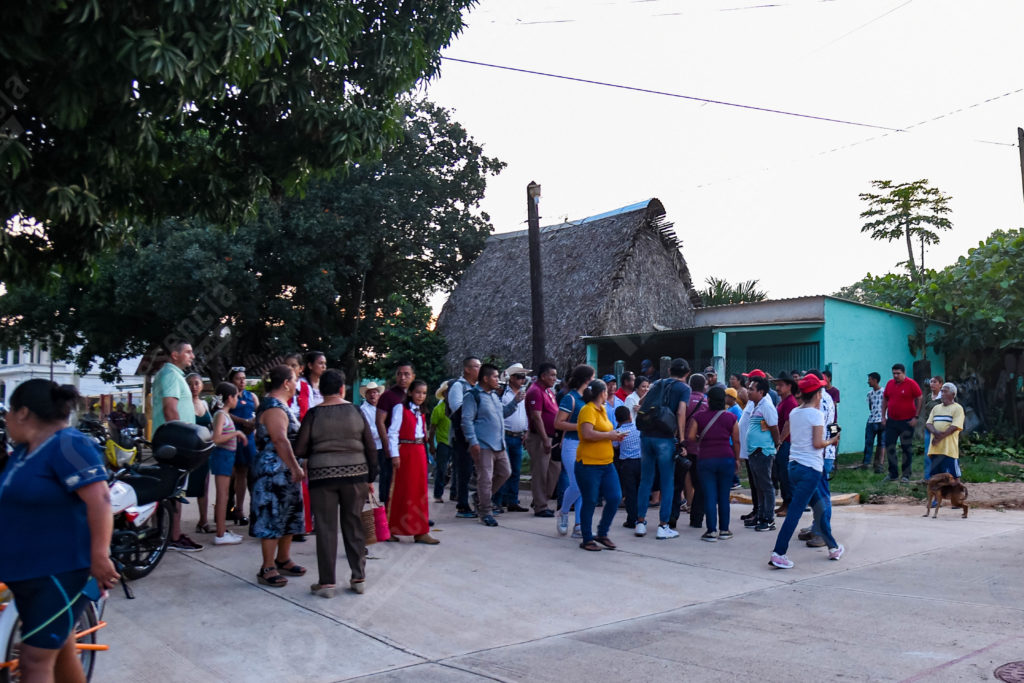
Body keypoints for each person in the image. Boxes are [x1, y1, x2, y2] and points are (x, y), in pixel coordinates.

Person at [0, 380, 116, 682]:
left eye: (8, 411)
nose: (6, 419)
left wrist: (100, 556)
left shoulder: (68, 444)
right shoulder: (23, 452)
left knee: (33, 660)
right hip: (28, 571)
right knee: (59, 646)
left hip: (61, 572)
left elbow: (100, 499)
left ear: (23, 412)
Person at [295, 369, 381, 596]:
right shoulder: (356, 411)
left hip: (322, 476)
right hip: (356, 475)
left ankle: (327, 584)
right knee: (354, 524)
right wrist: (370, 476)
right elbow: (370, 446)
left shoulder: (313, 414)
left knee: (326, 527)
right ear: (342, 388)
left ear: (321, 390)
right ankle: (358, 577)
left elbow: (300, 448)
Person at [770, 374, 843, 569]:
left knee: (819, 508)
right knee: (796, 512)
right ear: (817, 393)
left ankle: (833, 547)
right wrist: (832, 441)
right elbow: (818, 443)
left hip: (794, 467)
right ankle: (778, 553)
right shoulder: (816, 414)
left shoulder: (795, 412)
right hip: (810, 469)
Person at [250, 365, 306, 588]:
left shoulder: (280, 405)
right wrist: (295, 467)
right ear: (285, 383)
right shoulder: (273, 407)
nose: (296, 384)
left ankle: (283, 559)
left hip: (284, 471)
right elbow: (280, 439)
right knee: (272, 516)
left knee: (288, 514)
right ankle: (267, 566)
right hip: (273, 472)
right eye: (294, 380)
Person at [152, 340, 202, 552]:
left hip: (171, 443)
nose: (192, 356)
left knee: (174, 491)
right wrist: (182, 439)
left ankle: (169, 534)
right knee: (175, 491)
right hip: (174, 445)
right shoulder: (171, 375)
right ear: (175, 355)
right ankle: (172, 536)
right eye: (188, 352)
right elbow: (170, 409)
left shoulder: (171, 374)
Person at [635, 358, 691, 540]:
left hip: (646, 435)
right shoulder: (684, 389)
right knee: (667, 481)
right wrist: (681, 439)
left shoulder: (658, 383)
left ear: (669, 371)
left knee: (646, 480)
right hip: (665, 438)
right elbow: (681, 412)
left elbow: (642, 401)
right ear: (687, 373)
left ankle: (640, 522)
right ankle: (663, 525)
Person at [462, 364, 519, 527]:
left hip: (499, 444)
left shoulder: (493, 396)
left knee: (505, 472)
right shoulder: (473, 396)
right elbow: (466, 420)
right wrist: (473, 442)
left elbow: (503, 413)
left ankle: (480, 498)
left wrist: (515, 402)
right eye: (494, 377)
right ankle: (485, 512)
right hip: (483, 444)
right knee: (485, 479)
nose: (497, 380)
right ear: (485, 378)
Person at [574, 379, 626, 551]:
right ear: (602, 393)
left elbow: (605, 431)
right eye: (606, 391)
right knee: (590, 500)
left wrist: (615, 435)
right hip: (589, 464)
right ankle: (587, 539)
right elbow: (587, 434)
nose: (608, 393)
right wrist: (609, 436)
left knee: (615, 497)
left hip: (606, 463)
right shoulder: (587, 410)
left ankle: (602, 533)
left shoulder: (602, 409)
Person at [386, 378, 439, 543]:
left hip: (419, 451)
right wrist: (394, 454)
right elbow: (393, 432)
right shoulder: (400, 409)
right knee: (402, 490)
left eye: (424, 393)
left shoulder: (421, 412)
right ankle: (391, 528)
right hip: (406, 451)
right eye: (417, 392)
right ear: (410, 393)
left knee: (419, 491)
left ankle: (420, 530)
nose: (421, 396)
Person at [687, 386, 740, 541]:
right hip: (726, 458)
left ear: (708, 400)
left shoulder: (699, 417)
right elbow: (736, 440)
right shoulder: (731, 417)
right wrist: (737, 459)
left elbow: (690, 437)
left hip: (706, 459)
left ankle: (711, 531)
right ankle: (724, 530)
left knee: (710, 495)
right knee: (724, 495)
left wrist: (701, 440)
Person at [554, 364, 595, 538]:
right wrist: (581, 426)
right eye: (592, 377)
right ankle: (564, 512)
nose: (594, 380)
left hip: (587, 445)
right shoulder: (569, 398)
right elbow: (558, 423)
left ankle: (579, 525)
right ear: (586, 379)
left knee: (584, 486)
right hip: (571, 445)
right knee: (576, 484)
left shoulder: (589, 397)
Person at [209, 382, 246, 545]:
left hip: (227, 457)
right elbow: (216, 438)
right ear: (229, 398)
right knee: (222, 496)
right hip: (222, 457)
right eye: (236, 396)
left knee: (224, 495)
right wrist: (236, 433)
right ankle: (220, 533)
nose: (237, 399)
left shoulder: (225, 415)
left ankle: (222, 530)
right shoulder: (221, 415)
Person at [375, 362, 416, 509]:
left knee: (408, 482)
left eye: (406, 374)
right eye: (399, 374)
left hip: (410, 447)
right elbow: (380, 422)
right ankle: (388, 514)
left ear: (413, 376)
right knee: (390, 482)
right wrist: (387, 447)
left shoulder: (414, 395)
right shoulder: (388, 396)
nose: (402, 377)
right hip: (392, 445)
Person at [444, 357, 480, 518]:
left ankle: (478, 501)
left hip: (477, 434)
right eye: (477, 366)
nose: (479, 370)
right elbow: (458, 409)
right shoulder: (458, 386)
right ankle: (462, 505)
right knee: (464, 471)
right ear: (467, 369)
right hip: (462, 436)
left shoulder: (477, 387)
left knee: (477, 471)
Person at [744, 376, 780, 533]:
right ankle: (760, 515)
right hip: (754, 451)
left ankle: (768, 519)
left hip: (763, 451)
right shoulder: (755, 405)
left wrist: (776, 443)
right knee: (758, 486)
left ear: (761, 392)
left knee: (766, 486)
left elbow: (774, 427)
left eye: (751, 389)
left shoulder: (766, 406)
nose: (748, 391)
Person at [526, 362, 561, 518]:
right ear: (543, 376)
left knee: (554, 469)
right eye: (552, 375)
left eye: (555, 375)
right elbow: (536, 417)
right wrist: (545, 438)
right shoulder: (535, 391)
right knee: (540, 472)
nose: (554, 378)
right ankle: (540, 506)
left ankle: (540, 499)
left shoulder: (548, 391)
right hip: (540, 437)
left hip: (553, 436)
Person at [495, 363, 531, 512]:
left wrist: (526, 430)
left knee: (515, 471)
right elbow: (500, 413)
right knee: (503, 470)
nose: (523, 380)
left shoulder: (523, 394)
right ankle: (498, 501)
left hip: (518, 435)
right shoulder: (503, 393)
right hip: (505, 434)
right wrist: (515, 400)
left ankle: (512, 501)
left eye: (524, 377)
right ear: (511, 378)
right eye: (520, 377)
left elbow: (525, 414)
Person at [228, 367, 259, 527]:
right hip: (234, 438)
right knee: (240, 473)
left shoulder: (251, 396)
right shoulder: (229, 397)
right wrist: (242, 421)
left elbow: (260, 413)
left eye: (244, 378)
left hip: (250, 438)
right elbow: (223, 412)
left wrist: (253, 424)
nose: (242, 381)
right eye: (238, 378)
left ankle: (255, 510)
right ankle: (238, 509)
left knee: (253, 475)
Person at [882, 363, 923, 482]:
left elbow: (919, 397)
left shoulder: (911, 383)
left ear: (904, 373)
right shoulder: (890, 384)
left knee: (906, 447)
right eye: (894, 373)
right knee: (890, 446)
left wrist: (916, 417)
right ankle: (893, 474)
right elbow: (885, 399)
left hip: (907, 421)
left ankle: (906, 475)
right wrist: (883, 416)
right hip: (892, 421)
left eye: (898, 373)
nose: (895, 375)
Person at [186, 372, 213, 535]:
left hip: (204, 450)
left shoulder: (205, 404)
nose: (194, 387)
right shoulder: (183, 404)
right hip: (189, 450)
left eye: (197, 383)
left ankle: (203, 520)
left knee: (204, 486)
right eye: (190, 383)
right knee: (182, 487)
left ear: (202, 385)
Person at [925, 382, 965, 480]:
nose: (942, 394)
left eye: (945, 392)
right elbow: (928, 423)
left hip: (948, 450)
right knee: (935, 477)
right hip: (935, 449)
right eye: (941, 391)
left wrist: (939, 438)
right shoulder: (936, 408)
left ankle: (956, 490)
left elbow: (955, 426)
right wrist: (935, 432)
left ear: (953, 394)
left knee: (953, 477)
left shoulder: (958, 408)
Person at [773, 374, 799, 517]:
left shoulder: (790, 402)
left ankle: (790, 504)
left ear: (789, 386)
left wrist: (780, 441)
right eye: (777, 385)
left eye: (781, 385)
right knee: (781, 475)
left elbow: (788, 424)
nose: (777, 387)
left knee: (786, 475)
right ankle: (785, 502)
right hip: (782, 443)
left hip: (786, 443)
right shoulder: (783, 401)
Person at [614, 405, 642, 529]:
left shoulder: (618, 432)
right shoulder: (638, 428)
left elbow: (615, 445)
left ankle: (631, 519)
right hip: (641, 462)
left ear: (617, 420)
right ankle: (641, 517)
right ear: (630, 416)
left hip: (627, 464)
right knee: (640, 491)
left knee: (630, 493)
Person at [427, 381, 452, 504]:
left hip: (455, 442)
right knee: (441, 469)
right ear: (444, 394)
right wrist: (432, 446)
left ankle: (455, 493)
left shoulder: (458, 407)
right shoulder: (438, 409)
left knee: (458, 470)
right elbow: (432, 429)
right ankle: (438, 494)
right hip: (443, 443)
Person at [358, 381, 385, 495]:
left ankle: (383, 494)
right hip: (370, 445)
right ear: (366, 395)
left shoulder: (382, 407)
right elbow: (368, 430)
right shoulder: (363, 409)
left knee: (384, 471)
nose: (373, 395)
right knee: (370, 470)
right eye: (370, 393)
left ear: (379, 394)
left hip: (382, 444)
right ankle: (367, 493)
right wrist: (383, 432)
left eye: (375, 392)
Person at [920, 376, 943, 481]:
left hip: (940, 429)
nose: (932, 384)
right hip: (929, 428)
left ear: (940, 384)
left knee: (940, 452)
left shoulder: (943, 397)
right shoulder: (929, 396)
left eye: (935, 382)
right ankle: (927, 477)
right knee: (927, 452)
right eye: (931, 382)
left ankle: (941, 476)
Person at [863, 372, 885, 472]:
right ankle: (866, 463)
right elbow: (870, 407)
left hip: (882, 421)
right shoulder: (869, 394)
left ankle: (879, 464)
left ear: (875, 380)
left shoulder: (884, 392)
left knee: (881, 443)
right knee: (869, 442)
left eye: (870, 379)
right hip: (872, 420)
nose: (868, 381)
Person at [283, 353, 304, 421]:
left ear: (301, 368)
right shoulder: (280, 386)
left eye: (293, 366)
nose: (289, 368)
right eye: (286, 365)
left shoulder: (306, 388)